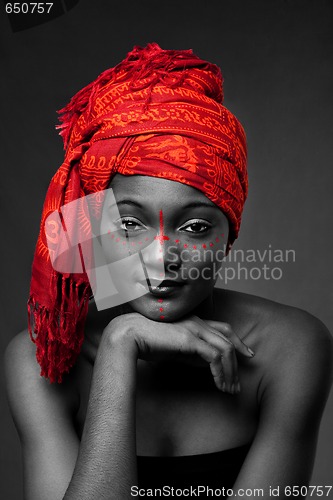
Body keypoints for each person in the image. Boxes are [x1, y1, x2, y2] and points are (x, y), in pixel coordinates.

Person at [4, 43, 333, 500]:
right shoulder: (41, 359)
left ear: (230, 234)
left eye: (196, 226)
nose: (161, 259)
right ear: (96, 225)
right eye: (130, 224)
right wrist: (121, 345)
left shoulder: (290, 348)